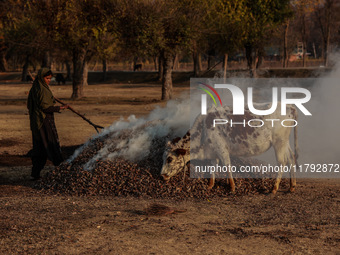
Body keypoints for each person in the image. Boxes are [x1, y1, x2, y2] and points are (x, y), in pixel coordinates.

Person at [27, 68, 69, 180]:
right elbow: (46, 107)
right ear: (42, 78)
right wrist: (60, 107)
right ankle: (63, 171)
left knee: (39, 147)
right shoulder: (42, 89)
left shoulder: (36, 87)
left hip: (37, 122)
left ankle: (35, 174)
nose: (49, 80)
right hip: (44, 121)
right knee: (51, 144)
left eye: (50, 78)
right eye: (47, 78)